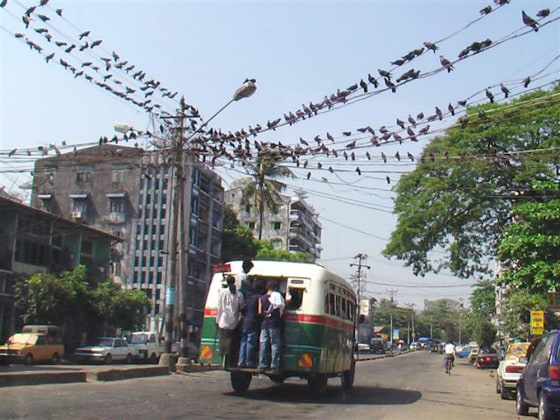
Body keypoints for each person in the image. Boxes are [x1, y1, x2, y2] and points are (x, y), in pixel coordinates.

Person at [258, 280, 285, 372]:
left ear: (267, 287)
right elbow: (282, 306)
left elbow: (260, 312)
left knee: (263, 344)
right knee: (275, 344)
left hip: (264, 323)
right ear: (275, 287)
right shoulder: (278, 296)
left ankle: (262, 365)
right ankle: (274, 365)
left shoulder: (262, 298)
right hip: (274, 323)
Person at [216, 276, 244, 360]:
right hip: (232, 321)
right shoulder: (239, 294)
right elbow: (241, 306)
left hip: (223, 320)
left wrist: (217, 320)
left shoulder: (222, 292)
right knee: (230, 341)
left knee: (223, 339)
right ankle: (228, 355)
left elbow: (220, 307)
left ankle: (224, 354)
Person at [237, 280, 262, 367]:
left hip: (245, 323)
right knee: (250, 343)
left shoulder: (248, 296)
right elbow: (260, 311)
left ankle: (240, 361)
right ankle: (248, 362)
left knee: (243, 342)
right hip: (254, 323)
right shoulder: (259, 298)